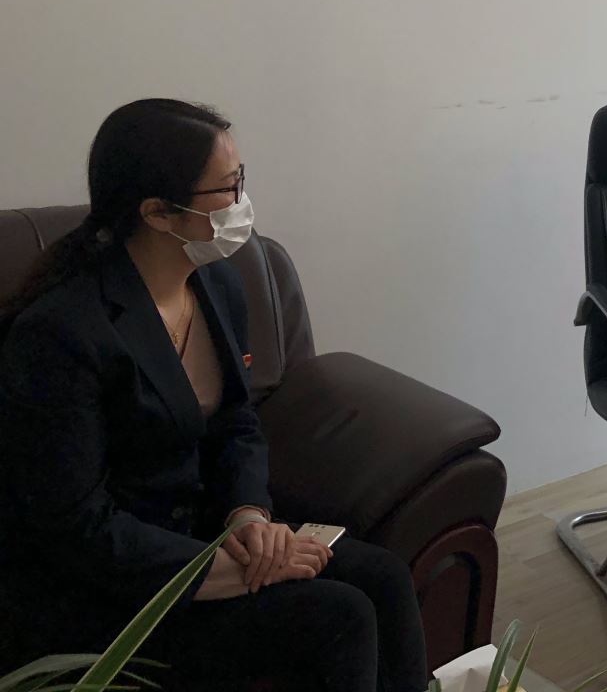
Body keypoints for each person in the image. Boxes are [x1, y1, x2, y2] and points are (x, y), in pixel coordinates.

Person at [0, 99, 428, 692]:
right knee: (341, 616)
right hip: (117, 584)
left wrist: (248, 516)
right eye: (227, 189)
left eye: (240, 180)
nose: (241, 203)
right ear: (158, 212)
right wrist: (227, 571)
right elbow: (75, 526)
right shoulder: (62, 333)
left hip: (205, 533)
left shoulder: (216, 282)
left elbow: (236, 422)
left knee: (383, 576)